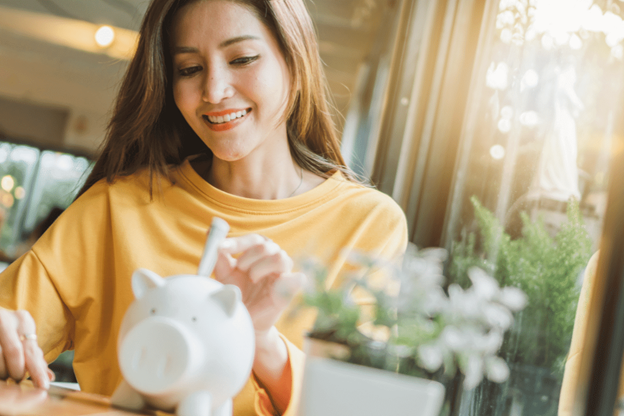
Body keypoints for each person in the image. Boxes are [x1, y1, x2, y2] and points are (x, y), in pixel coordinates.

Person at [0, 0, 408, 415]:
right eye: (190, 69)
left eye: (242, 58)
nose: (214, 91)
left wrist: (258, 340)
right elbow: (10, 333)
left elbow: (359, 405)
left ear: (296, 63)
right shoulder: (113, 207)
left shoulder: (367, 224)